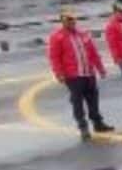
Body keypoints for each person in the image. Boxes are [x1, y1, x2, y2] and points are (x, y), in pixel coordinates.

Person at [47, 8, 113, 142]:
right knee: (77, 101)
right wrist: (59, 73)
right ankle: (83, 127)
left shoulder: (83, 34)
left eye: (73, 19)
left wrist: (100, 68)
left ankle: (97, 123)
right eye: (68, 20)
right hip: (73, 75)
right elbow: (55, 57)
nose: (71, 22)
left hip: (88, 72)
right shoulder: (57, 37)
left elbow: (93, 52)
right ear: (62, 21)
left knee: (93, 99)